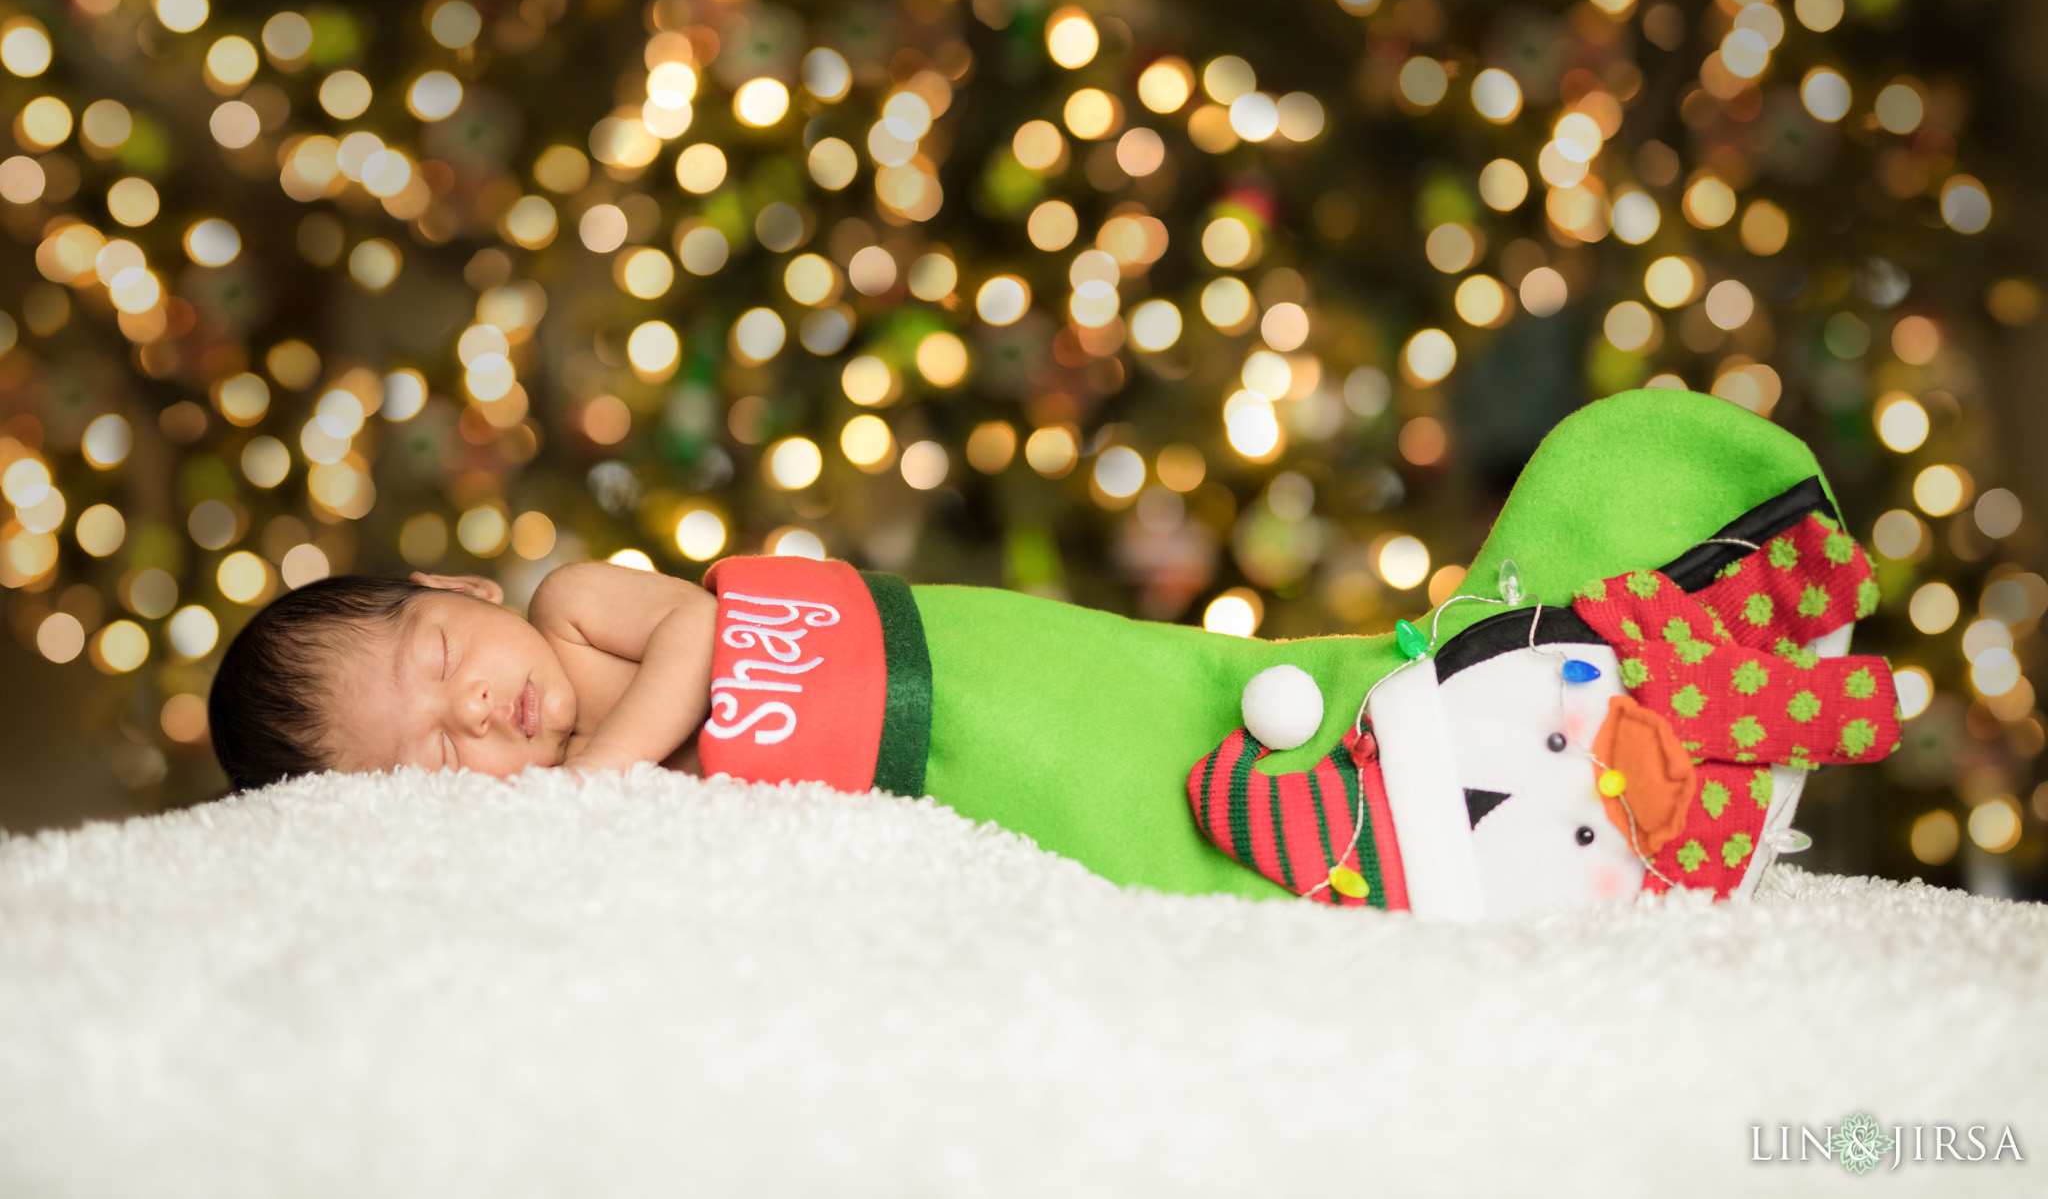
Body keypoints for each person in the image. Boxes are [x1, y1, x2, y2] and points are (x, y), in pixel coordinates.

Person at [208, 389, 1901, 918]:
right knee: (1147, 827)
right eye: (429, 750)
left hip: (941, 656)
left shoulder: (580, 607)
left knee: (1165, 702)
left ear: (457, 581)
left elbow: (707, 637)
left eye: (439, 649)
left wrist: (583, 772)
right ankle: (1434, 826)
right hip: (919, 759)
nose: (474, 709)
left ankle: (1548, 663)